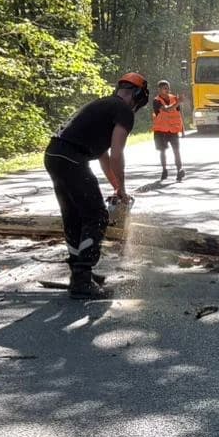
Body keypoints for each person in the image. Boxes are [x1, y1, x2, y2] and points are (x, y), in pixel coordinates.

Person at [44, 73, 147, 298]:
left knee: (73, 215)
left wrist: (117, 187)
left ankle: (79, 272)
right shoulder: (124, 111)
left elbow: (103, 156)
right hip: (72, 159)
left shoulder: (103, 105)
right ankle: (82, 278)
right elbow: (117, 154)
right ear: (138, 96)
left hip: (54, 155)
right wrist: (122, 188)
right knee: (97, 215)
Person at [152, 79, 185, 181]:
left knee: (176, 151)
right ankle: (164, 170)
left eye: (168, 88)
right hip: (160, 131)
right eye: (164, 88)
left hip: (173, 130)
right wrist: (178, 102)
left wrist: (183, 129)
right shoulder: (156, 101)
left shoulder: (174, 98)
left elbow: (179, 114)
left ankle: (180, 170)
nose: (167, 90)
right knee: (162, 151)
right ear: (159, 89)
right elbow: (166, 109)